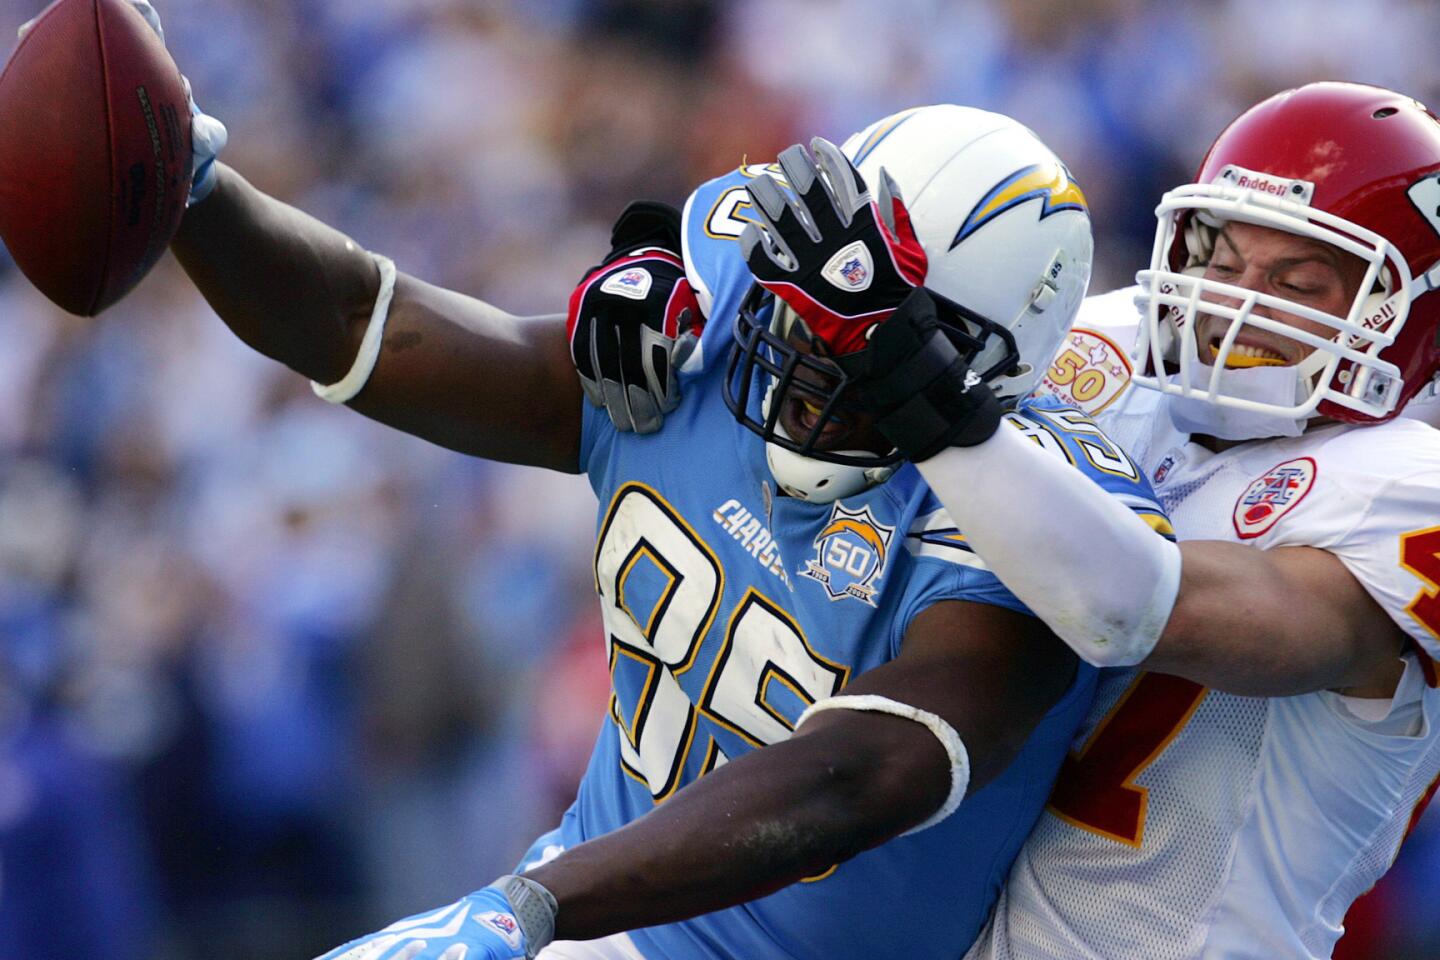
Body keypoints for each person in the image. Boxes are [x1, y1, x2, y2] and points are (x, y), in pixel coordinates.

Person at [95, 5, 1179, 959]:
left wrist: (533, 904)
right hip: (593, 915)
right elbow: (363, 324)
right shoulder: (701, 350)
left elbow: (855, 777)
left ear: (973, 367)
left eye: (861, 335)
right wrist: (192, 191)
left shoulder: (1038, 517)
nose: (799, 342)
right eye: (800, 293)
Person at [661, 80, 1440, 959]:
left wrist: (917, 381)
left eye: (1299, 281)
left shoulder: (1410, 486)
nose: (1236, 304)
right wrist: (680, 288)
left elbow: (1149, 608)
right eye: (1220, 263)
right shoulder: (1122, 349)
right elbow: (869, 321)